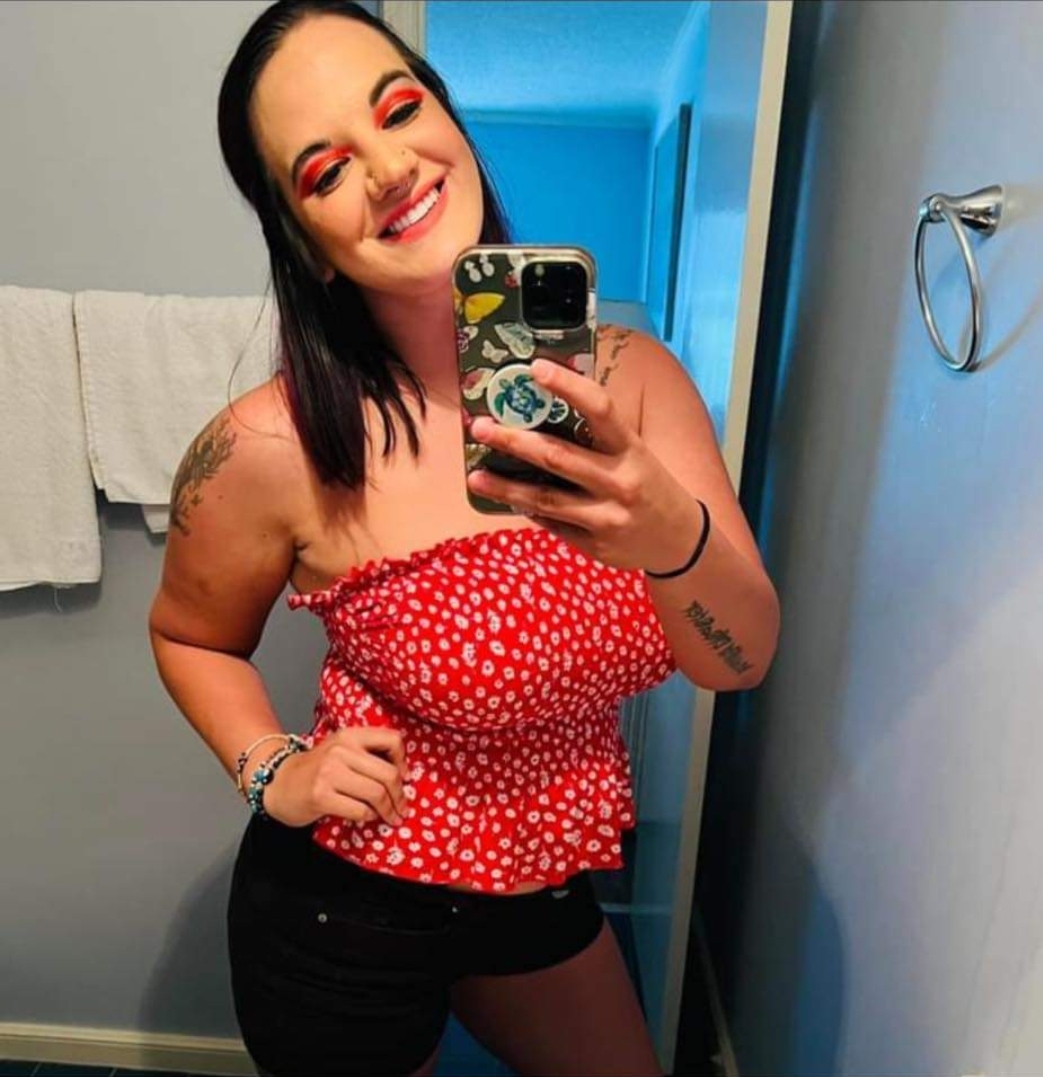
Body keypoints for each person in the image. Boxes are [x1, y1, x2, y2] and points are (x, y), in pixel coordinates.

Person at [147, 2, 780, 1074]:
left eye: (399, 110)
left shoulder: (634, 384)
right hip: (347, 908)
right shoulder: (268, 446)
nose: (391, 167)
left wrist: (669, 531)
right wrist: (271, 769)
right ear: (303, 243)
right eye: (326, 170)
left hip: (539, 885)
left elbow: (739, 660)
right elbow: (188, 635)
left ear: (448, 120)